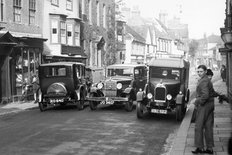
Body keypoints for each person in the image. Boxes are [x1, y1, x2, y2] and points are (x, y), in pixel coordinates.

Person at [192, 65, 215, 154]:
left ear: (205, 71)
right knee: (208, 127)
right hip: (210, 105)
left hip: (204, 106)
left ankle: (199, 148)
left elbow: (205, 95)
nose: (199, 73)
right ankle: (209, 149)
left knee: (198, 126)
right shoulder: (207, 80)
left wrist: (196, 101)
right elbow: (212, 92)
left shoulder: (204, 81)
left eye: (201, 71)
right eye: (198, 71)